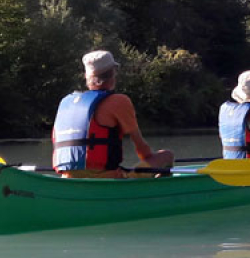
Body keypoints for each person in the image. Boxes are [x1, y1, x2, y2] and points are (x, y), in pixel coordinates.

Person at [52, 50, 174, 178]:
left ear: (87, 77)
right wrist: (153, 161)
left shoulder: (66, 102)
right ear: (112, 74)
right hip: (107, 178)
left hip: (68, 177)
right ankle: (155, 193)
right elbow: (142, 149)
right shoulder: (119, 101)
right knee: (166, 156)